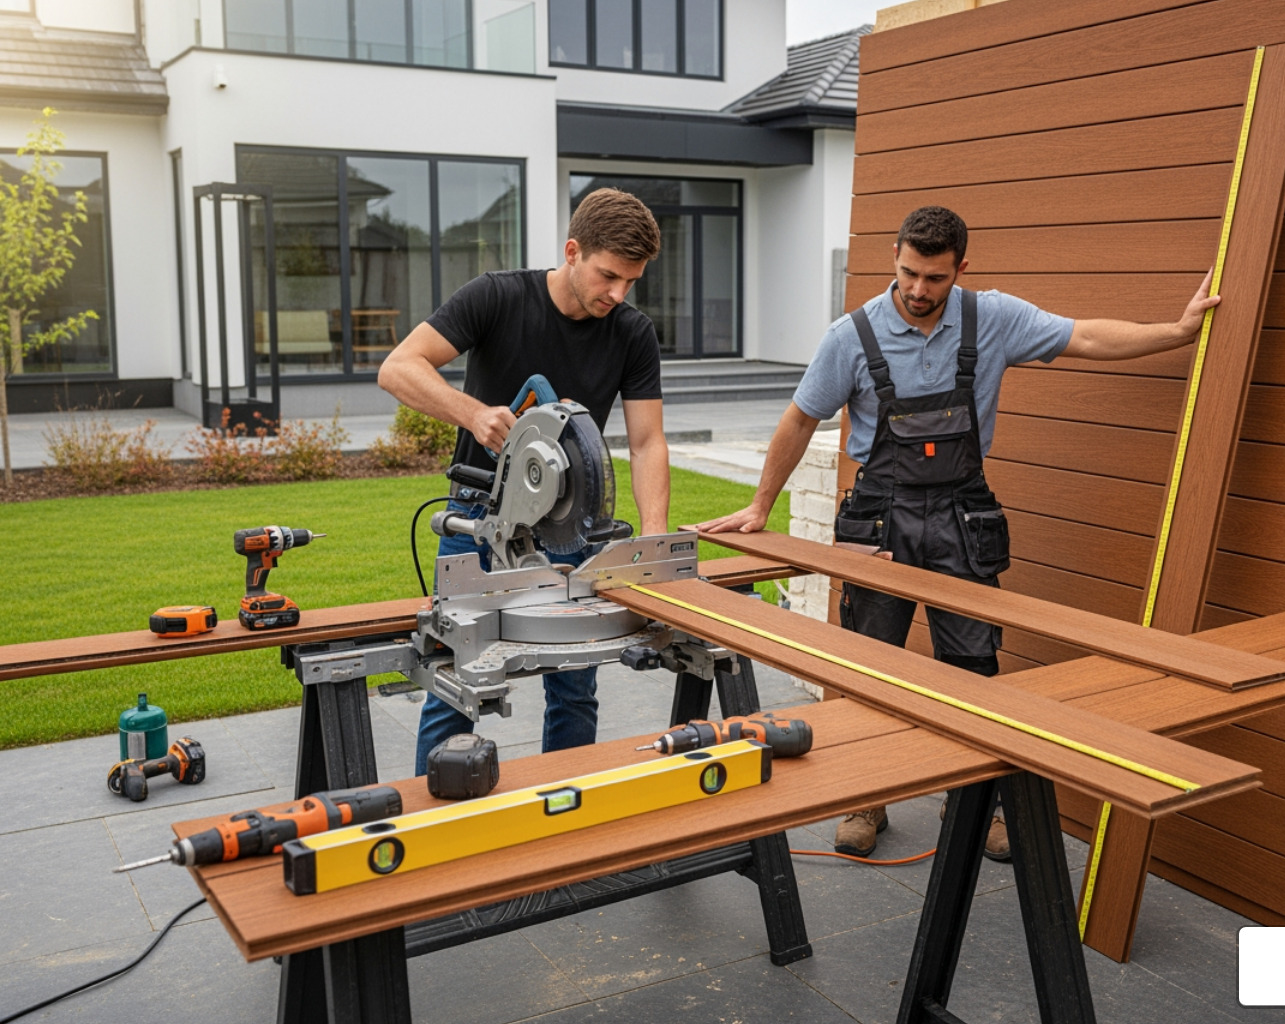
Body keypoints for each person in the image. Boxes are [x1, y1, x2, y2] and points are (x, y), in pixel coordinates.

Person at [695, 206, 1218, 859]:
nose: (919, 289)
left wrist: (1178, 331)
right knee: (865, 663)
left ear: (960, 268)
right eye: (909, 273)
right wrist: (760, 505)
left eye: (935, 278)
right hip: (877, 515)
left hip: (962, 514)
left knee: (973, 666)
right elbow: (801, 418)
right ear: (894, 256)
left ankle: (974, 802)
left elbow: (1084, 337)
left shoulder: (991, 318)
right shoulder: (851, 336)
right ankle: (866, 796)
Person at [379, 188, 671, 774]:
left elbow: (647, 442)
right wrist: (473, 414)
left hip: (572, 527)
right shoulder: (497, 297)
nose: (618, 294)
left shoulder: (632, 332)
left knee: (575, 686)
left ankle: (561, 810)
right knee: (456, 682)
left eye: (631, 282)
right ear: (572, 251)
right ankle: (435, 816)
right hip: (479, 521)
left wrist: (655, 545)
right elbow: (398, 367)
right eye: (609, 276)